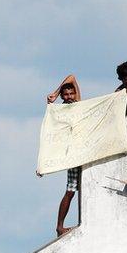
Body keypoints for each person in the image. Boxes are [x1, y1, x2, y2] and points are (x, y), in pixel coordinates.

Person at [44, 75, 82, 236]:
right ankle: (60, 226)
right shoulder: (59, 111)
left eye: (71, 94)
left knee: (86, 188)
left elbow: (72, 77)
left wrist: (56, 90)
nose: (69, 97)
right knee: (71, 190)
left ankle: (83, 222)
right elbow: (50, 135)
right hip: (72, 154)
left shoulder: (79, 104)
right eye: (65, 95)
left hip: (84, 152)